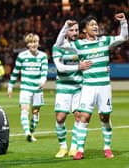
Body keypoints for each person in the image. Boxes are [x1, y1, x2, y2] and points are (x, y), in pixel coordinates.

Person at [55, 13, 128, 160]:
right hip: (88, 87)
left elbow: (124, 37)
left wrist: (123, 22)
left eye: (96, 24)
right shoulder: (79, 45)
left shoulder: (105, 40)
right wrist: (65, 27)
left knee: (104, 117)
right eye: (91, 24)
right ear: (84, 30)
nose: (95, 26)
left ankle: (107, 147)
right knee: (84, 117)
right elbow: (59, 44)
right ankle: (80, 150)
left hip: (104, 87)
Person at [52, 20, 92, 158]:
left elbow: (91, 61)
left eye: (76, 30)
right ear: (66, 31)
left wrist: (104, 68)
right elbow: (60, 68)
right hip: (63, 87)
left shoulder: (80, 47)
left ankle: (74, 147)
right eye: (72, 30)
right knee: (60, 118)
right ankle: (63, 147)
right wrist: (78, 67)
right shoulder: (57, 47)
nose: (75, 33)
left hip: (78, 87)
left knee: (79, 116)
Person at [7, 33, 48, 142]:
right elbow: (15, 72)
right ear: (27, 44)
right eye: (31, 42)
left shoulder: (43, 56)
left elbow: (44, 70)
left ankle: (31, 132)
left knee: (35, 113)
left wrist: (43, 79)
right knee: (25, 110)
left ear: (38, 43)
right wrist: (10, 86)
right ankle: (27, 132)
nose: (33, 44)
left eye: (35, 42)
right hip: (25, 88)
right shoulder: (22, 56)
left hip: (37, 89)